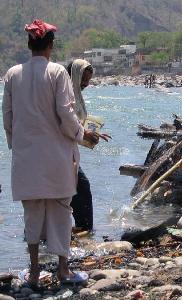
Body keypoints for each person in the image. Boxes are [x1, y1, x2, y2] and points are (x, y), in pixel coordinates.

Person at [2, 19, 98, 287]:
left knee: (32, 213)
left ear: (28, 44)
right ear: (50, 45)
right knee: (60, 211)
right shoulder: (57, 73)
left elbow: (7, 118)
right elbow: (66, 115)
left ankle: (33, 271)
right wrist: (82, 134)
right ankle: (63, 269)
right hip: (57, 157)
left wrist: (18, 146)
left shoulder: (12, 74)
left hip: (26, 158)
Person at [66, 59, 110, 232]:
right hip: (61, 152)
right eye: (83, 80)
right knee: (80, 188)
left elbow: (73, 126)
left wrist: (90, 134)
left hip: (68, 151)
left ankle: (77, 230)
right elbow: (65, 123)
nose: (86, 84)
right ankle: (83, 230)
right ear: (74, 76)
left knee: (75, 189)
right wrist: (85, 134)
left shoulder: (72, 93)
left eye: (88, 81)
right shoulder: (65, 94)